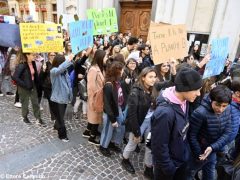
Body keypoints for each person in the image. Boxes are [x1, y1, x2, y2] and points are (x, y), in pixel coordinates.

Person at [151, 67, 203, 180]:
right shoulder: (165, 114)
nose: (199, 94)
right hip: (169, 168)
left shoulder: (185, 101)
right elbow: (159, 147)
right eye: (197, 90)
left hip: (180, 158)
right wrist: (169, 168)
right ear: (185, 89)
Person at [187, 85, 232, 180]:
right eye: (217, 105)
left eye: (224, 106)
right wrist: (199, 154)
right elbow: (191, 136)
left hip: (211, 151)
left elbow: (227, 132)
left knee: (209, 175)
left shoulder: (228, 109)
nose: (220, 109)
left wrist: (212, 147)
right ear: (211, 100)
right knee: (188, 175)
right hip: (197, 153)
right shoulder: (200, 113)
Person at [121, 67, 157, 175]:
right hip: (139, 123)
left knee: (149, 145)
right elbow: (132, 114)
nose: (153, 79)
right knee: (132, 143)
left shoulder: (152, 88)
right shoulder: (135, 92)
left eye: (154, 77)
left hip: (150, 122)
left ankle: (148, 167)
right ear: (143, 77)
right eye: (150, 77)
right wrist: (137, 132)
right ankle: (125, 159)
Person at [12, 50, 45, 126]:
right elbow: (15, 77)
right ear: (27, 55)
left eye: (35, 54)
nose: (35, 56)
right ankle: (25, 117)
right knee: (25, 103)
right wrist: (24, 84)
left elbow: (35, 75)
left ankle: (38, 118)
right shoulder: (22, 65)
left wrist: (38, 82)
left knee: (35, 102)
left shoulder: (33, 63)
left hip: (32, 85)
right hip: (24, 87)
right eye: (33, 55)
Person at [99, 61, 125, 157]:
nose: (123, 72)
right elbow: (107, 105)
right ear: (116, 72)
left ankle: (111, 143)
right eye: (121, 70)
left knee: (120, 128)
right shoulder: (109, 85)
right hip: (110, 113)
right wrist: (113, 119)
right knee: (107, 130)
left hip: (117, 108)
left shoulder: (117, 81)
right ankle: (103, 146)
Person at [82, 50, 106, 145]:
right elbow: (90, 86)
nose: (106, 58)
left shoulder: (100, 67)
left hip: (98, 96)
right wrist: (94, 98)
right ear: (100, 57)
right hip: (95, 97)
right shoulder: (93, 69)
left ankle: (87, 131)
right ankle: (92, 137)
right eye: (105, 56)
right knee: (96, 117)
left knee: (94, 116)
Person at [50, 54, 74, 142]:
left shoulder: (65, 71)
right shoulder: (53, 71)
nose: (65, 62)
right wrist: (68, 61)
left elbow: (68, 84)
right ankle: (62, 135)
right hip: (57, 99)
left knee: (61, 115)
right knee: (61, 119)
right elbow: (59, 70)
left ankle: (56, 126)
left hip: (64, 99)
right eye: (63, 61)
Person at [39, 52, 56, 121]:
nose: (53, 56)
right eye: (51, 55)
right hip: (48, 86)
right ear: (48, 56)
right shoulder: (46, 64)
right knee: (51, 101)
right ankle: (53, 116)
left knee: (55, 101)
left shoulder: (57, 64)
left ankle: (55, 114)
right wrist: (43, 70)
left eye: (54, 55)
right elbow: (41, 77)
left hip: (56, 85)